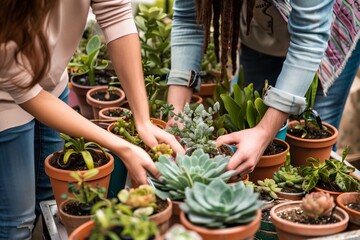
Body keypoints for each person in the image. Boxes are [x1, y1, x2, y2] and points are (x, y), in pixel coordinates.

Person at [0, 0, 184, 239]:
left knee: (49, 200)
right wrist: (122, 147)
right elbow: (23, 89)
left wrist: (143, 120)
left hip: (52, 82)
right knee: (18, 223)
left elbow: (114, 12)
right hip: (4, 98)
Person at [166, 0, 360, 177]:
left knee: (312, 150)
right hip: (258, 30)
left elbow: (309, 36)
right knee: (250, 129)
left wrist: (265, 132)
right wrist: (175, 115)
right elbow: (189, 19)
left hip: (328, 35)